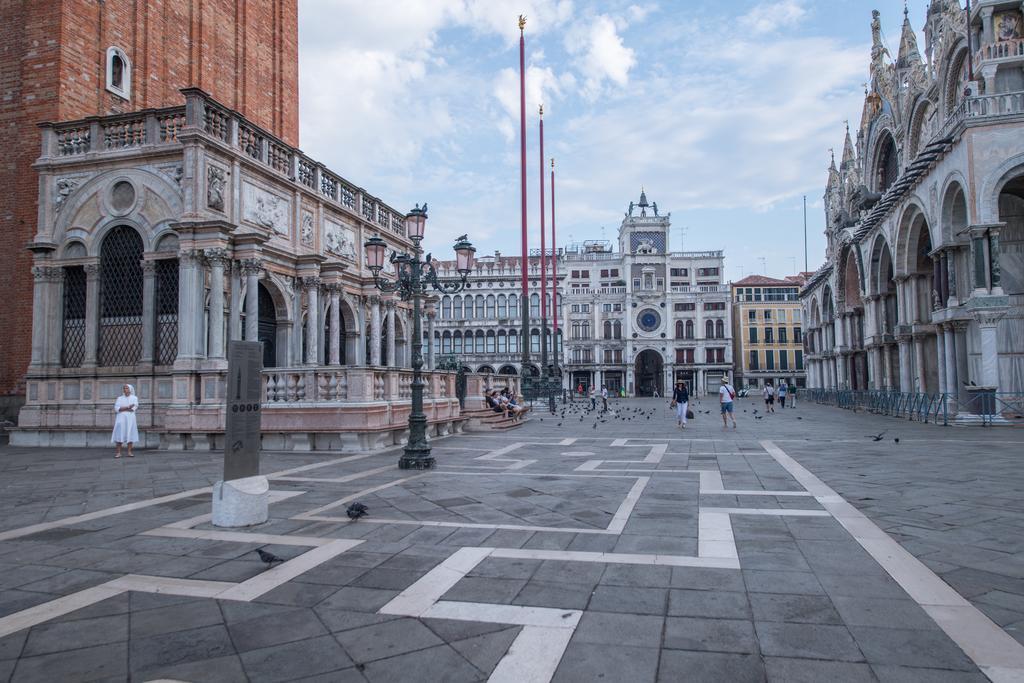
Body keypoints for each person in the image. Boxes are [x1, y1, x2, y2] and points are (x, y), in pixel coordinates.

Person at [112, 384, 139, 458]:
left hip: (130, 419)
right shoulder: (119, 398)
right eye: (124, 388)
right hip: (121, 418)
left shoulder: (134, 398)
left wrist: (124, 408)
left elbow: (133, 408)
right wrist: (127, 407)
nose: (125, 389)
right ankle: (118, 452)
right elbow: (117, 408)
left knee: (130, 433)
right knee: (119, 434)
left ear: (130, 389)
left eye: (126, 388)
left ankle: (129, 452)